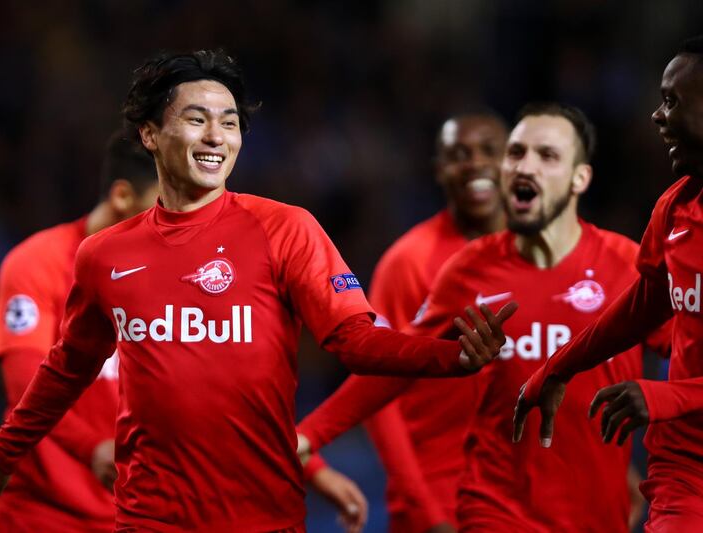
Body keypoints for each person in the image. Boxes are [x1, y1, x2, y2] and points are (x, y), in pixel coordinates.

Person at [0, 49, 516, 531]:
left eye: (230, 121)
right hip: (148, 518)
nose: (218, 136)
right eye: (196, 119)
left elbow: (353, 339)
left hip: (263, 516)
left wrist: (451, 356)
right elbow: (66, 368)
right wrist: (3, 452)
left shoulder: (287, 228)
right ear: (151, 134)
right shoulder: (105, 255)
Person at [297, 103, 669, 531]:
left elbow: (684, 353)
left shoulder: (627, 264)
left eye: (546, 156)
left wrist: (642, 446)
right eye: (516, 153)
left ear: (579, 178)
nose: (524, 166)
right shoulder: (467, 267)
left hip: (594, 514)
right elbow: (394, 365)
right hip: (493, 507)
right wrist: (311, 434)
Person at [513, 35, 703, 532]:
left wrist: (665, 397)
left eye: (672, 100)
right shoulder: (676, 207)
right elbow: (643, 305)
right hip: (687, 469)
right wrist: (557, 369)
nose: (658, 116)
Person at [312, 112, 509, 533]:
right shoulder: (410, 260)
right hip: (440, 499)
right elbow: (378, 396)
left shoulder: (538, 253)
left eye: (490, 151)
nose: (476, 163)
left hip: (522, 499)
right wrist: (427, 512)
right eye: (460, 154)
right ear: (440, 170)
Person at [0, 131, 159, 532]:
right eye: (165, 206)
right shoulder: (38, 263)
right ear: (122, 197)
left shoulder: (178, 275)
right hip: (45, 516)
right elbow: (23, 385)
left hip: (141, 518)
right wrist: (93, 447)